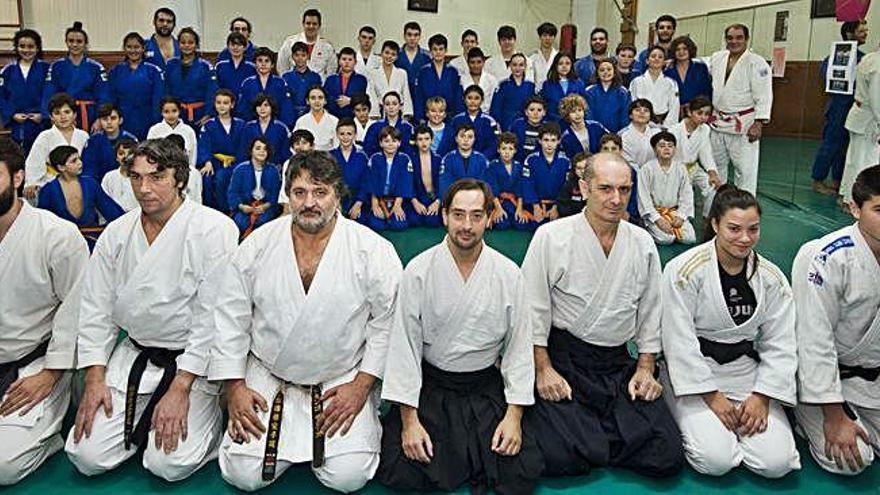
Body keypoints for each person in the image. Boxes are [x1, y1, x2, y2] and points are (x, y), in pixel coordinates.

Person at [209, 150, 402, 492]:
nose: (309, 203)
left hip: (340, 377)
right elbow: (230, 317)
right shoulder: (258, 244)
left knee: (348, 476)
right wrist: (235, 386)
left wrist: (361, 388)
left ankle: (362, 418)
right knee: (244, 474)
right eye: (299, 193)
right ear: (288, 195)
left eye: (320, 192)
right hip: (270, 374)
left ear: (337, 195)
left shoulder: (372, 250)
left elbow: (387, 323)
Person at [65, 138, 238, 481]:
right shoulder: (117, 233)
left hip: (194, 362)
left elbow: (212, 319)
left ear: (180, 179)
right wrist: (95, 377)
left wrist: (181, 387)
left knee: (168, 465)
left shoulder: (214, 229)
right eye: (136, 177)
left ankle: (211, 418)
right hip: (135, 354)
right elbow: (95, 307)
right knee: (85, 456)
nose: (144, 188)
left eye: (157, 177)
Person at [520, 151, 684, 478]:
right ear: (584, 187)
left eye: (624, 190)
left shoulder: (642, 242)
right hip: (565, 360)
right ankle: (595, 432)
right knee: (559, 457)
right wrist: (543, 369)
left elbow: (651, 311)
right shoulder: (552, 236)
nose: (615, 199)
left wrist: (646, 368)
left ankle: (590, 431)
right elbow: (531, 309)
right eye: (605, 188)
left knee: (667, 454)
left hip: (616, 364)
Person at [377, 178, 542, 493]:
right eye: (458, 214)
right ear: (444, 215)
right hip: (434, 386)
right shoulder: (418, 271)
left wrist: (515, 416)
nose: (467, 225)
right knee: (402, 469)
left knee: (521, 472)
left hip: (484, 386)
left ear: (489, 217)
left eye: (477, 215)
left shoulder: (508, 274)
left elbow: (519, 349)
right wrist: (409, 422)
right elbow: (404, 348)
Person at [661, 185, 800, 478]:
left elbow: (781, 343)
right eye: (734, 229)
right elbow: (678, 340)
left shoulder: (772, 277)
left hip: (746, 372)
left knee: (776, 464)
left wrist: (763, 396)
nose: (745, 238)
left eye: (753, 229)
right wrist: (711, 396)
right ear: (715, 224)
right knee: (716, 461)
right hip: (696, 374)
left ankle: (748, 428)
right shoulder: (684, 270)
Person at [0, 138, 87, 485]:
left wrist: (51, 374)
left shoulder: (57, 236)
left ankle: (49, 436)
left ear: (18, 178)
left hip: (35, 365)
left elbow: (78, 307)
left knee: (3, 466)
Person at [792, 164, 880, 475]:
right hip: (825, 381)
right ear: (854, 208)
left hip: (872, 380)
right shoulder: (827, 257)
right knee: (853, 459)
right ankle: (806, 414)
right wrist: (833, 414)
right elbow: (814, 340)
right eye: (879, 209)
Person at [707, 24, 773, 195]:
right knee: (715, 169)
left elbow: (764, 95)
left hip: (744, 124)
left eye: (739, 37)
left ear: (746, 39)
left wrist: (759, 123)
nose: (734, 41)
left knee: (745, 171)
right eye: (730, 38)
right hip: (718, 122)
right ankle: (713, 209)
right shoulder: (718, 58)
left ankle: (744, 211)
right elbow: (697, 63)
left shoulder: (757, 63)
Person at [812, 21, 868, 195]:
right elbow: (827, 78)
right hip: (838, 106)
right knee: (831, 143)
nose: (866, 33)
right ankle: (818, 179)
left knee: (844, 146)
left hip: (854, 107)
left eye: (866, 30)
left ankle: (838, 179)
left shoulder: (863, 58)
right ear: (850, 34)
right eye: (861, 31)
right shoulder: (833, 58)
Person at [38, 145, 124, 244]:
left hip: (92, 241)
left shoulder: (91, 184)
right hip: (61, 244)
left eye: (79, 158)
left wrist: (128, 224)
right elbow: (43, 224)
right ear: (61, 167)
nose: (80, 163)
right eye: (74, 161)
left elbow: (111, 211)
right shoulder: (48, 191)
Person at [41, 22, 108, 132]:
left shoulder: (96, 67)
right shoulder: (56, 67)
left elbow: (104, 95)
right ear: (66, 42)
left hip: (89, 115)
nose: (75, 45)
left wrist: (100, 118)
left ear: (85, 44)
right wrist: (50, 116)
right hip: (63, 115)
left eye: (79, 41)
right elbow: (49, 93)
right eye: (71, 41)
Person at [24, 93, 90, 199]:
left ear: (74, 115)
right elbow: (34, 163)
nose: (63, 117)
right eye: (57, 113)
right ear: (51, 117)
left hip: (80, 182)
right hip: (52, 184)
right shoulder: (45, 136)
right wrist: (31, 183)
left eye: (67, 112)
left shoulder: (83, 136)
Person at [637, 131, 696, 245]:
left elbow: (687, 194)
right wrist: (658, 219)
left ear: (675, 149)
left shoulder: (681, 168)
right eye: (662, 146)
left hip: (674, 211)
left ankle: (672, 225)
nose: (666, 149)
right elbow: (644, 197)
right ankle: (648, 228)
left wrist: (681, 216)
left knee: (689, 238)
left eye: (670, 146)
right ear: (655, 150)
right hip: (656, 212)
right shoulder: (647, 169)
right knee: (666, 239)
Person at [669, 96, 722, 218]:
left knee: (713, 185)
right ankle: (683, 218)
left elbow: (706, 153)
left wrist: (712, 172)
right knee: (684, 196)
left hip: (693, 168)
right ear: (689, 112)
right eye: (699, 113)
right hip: (676, 169)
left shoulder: (705, 129)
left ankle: (708, 216)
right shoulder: (674, 131)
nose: (703, 117)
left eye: (707, 114)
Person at [841, 41, 880, 206]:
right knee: (865, 162)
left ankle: (847, 195)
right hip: (869, 120)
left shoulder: (869, 58)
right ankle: (855, 201)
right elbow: (876, 99)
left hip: (860, 115)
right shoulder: (877, 65)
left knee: (854, 161)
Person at [106, 32, 164, 141]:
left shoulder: (154, 71)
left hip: (147, 119)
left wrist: (156, 121)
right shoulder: (116, 71)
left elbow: (158, 98)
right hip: (123, 119)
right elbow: (110, 99)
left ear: (143, 48)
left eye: (137, 47)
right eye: (129, 47)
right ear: (124, 48)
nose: (133, 50)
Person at [0, 29, 50, 154]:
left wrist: (43, 114)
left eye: (31, 46)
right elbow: (1, 97)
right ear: (16, 48)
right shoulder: (8, 70)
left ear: (37, 48)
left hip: (40, 123)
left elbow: (51, 94)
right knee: (19, 156)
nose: (26, 50)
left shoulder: (47, 69)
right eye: (22, 46)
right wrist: (12, 114)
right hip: (17, 123)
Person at [197, 89, 246, 212]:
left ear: (232, 105)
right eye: (218, 102)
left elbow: (244, 148)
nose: (222, 106)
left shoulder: (241, 125)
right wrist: (207, 162)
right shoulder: (208, 125)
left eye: (225, 103)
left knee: (223, 177)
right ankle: (211, 211)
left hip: (236, 163)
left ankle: (230, 211)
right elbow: (204, 145)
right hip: (215, 163)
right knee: (207, 178)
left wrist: (239, 164)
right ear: (214, 104)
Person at [164, 28, 218, 128]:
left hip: (199, 114)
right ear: (178, 44)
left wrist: (208, 114)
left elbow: (211, 93)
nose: (187, 45)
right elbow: (166, 90)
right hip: (175, 114)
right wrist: (167, 112)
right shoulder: (171, 65)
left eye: (190, 42)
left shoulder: (206, 66)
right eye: (183, 42)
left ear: (196, 45)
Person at [228, 137, 280, 238]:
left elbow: (275, 194)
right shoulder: (240, 169)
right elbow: (233, 193)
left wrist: (264, 207)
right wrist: (242, 207)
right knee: (241, 223)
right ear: (251, 151)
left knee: (263, 223)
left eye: (265, 149)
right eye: (258, 148)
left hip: (266, 207)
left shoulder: (273, 170)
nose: (262, 151)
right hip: (245, 206)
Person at [521, 122, 569, 229]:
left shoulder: (566, 161)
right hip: (537, 204)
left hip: (558, 205)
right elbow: (527, 184)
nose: (549, 144)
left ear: (559, 141)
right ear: (539, 141)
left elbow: (566, 186)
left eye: (553, 140)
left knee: (559, 229)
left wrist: (556, 207)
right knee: (533, 227)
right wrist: (535, 206)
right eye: (546, 140)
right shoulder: (531, 159)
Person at [367, 126, 414, 231]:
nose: (390, 144)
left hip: (396, 199)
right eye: (386, 141)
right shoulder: (375, 158)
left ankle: (393, 214)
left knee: (399, 225)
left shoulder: (404, 159)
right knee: (376, 225)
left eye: (394, 141)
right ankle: (381, 215)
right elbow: (371, 182)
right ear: (381, 143)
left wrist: (397, 205)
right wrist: (375, 205)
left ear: (399, 143)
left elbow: (405, 183)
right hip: (379, 199)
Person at [81, 103, 138, 181]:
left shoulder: (131, 140)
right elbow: (89, 170)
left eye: (113, 118)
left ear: (120, 120)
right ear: (100, 121)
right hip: (99, 184)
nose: (109, 122)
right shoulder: (92, 142)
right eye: (105, 119)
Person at [483, 131, 528, 230]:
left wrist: (520, 209)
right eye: (504, 148)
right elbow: (492, 188)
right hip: (498, 202)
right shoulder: (493, 166)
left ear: (515, 150)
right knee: (501, 224)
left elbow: (521, 188)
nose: (507, 152)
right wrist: (498, 209)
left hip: (514, 202)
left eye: (510, 149)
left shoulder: (519, 166)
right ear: (498, 150)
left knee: (521, 224)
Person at [237, 47, 294, 125]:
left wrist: (282, 126)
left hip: (275, 125)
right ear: (255, 64)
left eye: (267, 61)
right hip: (253, 126)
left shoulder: (280, 83)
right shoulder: (247, 83)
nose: (263, 64)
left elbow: (286, 109)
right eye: (260, 60)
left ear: (272, 65)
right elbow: (242, 110)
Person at [415, 34, 464, 123]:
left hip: (449, 117)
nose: (438, 52)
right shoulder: (423, 72)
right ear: (430, 51)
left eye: (441, 49)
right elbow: (419, 97)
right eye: (435, 49)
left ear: (446, 50)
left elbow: (458, 97)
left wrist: (458, 117)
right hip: (428, 118)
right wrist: (420, 118)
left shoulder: (453, 72)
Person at [277, 8, 337, 78]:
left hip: (318, 86)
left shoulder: (327, 46)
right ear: (303, 24)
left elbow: (331, 71)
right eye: (308, 23)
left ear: (319, 26)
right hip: (294, 86)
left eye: (314, 24)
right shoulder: (290, 42)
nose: (311, 26)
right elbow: (281, 67)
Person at [330, 118, 370, 224]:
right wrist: (335, 203)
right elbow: (327, 182)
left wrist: (359, 203)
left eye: (349, 133)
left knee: (360, 221)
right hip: (336, 201)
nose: (345, 137)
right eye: (342, 134)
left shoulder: (362, 156)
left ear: (355, 135)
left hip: (358, 200)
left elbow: (366, 182)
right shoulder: (330, 156)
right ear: (337, 135)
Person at [630, 46, 680, 126]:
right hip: (641, 122)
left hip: (663, 123)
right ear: (647, 61)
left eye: (660, 57)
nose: (656, 59)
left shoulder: (671, 83)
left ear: (664, 62)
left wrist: (666, 126)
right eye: (653, 56)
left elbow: (674, 107)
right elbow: (633, 104)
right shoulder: (636, 82)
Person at [439, 122, 491, 199]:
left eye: (470, 137)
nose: (466, 140)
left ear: (474, 139)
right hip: (455, 201)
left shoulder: (482, 160)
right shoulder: (447, 159)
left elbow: (486, 184)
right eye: (462, 136)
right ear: (456, 139)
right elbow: (445, 185)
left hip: (477, 201)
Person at [237, 94, 292, 166]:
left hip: (275, 167)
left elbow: (285, 153)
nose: (262, 108)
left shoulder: (281, 128)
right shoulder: (248, 127)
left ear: (272, 107)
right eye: (259, 105)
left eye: (266, 105)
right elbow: (242, 152)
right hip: (251, 167)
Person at [367, 40, 414, 119]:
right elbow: (372, 95)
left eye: (393, 54)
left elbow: (406, 94)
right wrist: (374, 114)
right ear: (381, 53)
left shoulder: (402, 73)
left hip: (398, 112)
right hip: (381, 113)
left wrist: (406, 113)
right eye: (387, 53)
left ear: (397, 57)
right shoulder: (373, 73)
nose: (389, 56)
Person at [664, 36, 712, 113]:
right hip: (675, 113)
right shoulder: (668, 72)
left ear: (690, 49)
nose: (681, 52)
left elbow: (707, 91)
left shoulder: (701, 68)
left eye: (685, 49)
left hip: (698, 112)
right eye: (677, 49)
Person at [451, 85, 500, 159]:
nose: (473, 101)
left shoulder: (490, 121)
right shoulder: (456, 120)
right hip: (460, 159)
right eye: (469, 98)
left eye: (476, 98)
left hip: (483, 161)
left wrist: (481, 159)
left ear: (482, 100)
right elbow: (452, 143)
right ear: (464, 99)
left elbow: (494, 145)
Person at [600, 133, 640, 223]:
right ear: (600, 151)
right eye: (605, 149)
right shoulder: (595, 170)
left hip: (625, 212)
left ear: (621, 151)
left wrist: (627, 212)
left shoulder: (630, 171)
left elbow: (633, 196)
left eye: (614, 149)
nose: (610, 152)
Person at [148, 96, 198, 169]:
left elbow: (192, 156)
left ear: (179, 111)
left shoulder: (188, 130)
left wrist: (189, 171)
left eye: (174, 111)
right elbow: (150, 154)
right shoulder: (154, 130)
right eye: (166, 112)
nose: (171, 115)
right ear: (161, 112)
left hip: (183, 171)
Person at [490, 53, 536, 132]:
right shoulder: (503, 85)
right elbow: (496, 107)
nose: (517, 68)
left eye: (521, 65)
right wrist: (497, 123)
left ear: (525, 67)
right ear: (510, 66)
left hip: (525, 125)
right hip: (506, 124)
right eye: (514, 65)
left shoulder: (530, 86)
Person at [408, 125, 442, 227]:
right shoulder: (411, 160)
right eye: (420, 139)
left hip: (434, 197)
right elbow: (408, 182)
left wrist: (438, 201)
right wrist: (415, 202)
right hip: (418, 197)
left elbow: (443, 182)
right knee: (414, 221)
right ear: (416, 142)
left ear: (432, 140)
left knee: (432, 222)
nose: (424, 142)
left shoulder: (438, 159)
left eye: (427, 139)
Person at [281, 41, 323, 123]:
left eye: (303, 55)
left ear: (308, 56)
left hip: (310, 115)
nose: (300, 58)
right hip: (290, 115)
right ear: (292, 56)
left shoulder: (315, 77)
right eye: (297, 55)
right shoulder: (286, 77)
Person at [363, 91, 414, 157]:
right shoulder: (375, 127)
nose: (391, 107)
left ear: (400, 106)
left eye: (394, 104)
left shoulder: (408, 127)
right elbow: (368, 149)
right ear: (383, 106)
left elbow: (410, 151)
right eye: (387, 104)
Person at [585, 60, 631, 133]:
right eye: (602, 70)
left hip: (617, 134)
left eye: (609, 69)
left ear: (614, 72)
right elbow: (589, 115)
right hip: (595, 133)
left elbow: (625, 115)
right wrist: (594, 131)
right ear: (597, 73)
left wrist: (621, 133)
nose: (605, 72)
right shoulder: (589, 91)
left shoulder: (623, 92)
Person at [540, 52, 587, 123]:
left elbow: (584, 106)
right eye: (560, 63)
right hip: (553, 123)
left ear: (572, 65)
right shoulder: (547, 84)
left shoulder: (579, 84)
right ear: (555, 65)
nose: (564, 66)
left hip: (574, 124)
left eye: (567, 63)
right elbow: (544, 106)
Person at [323, 47, 369, 119]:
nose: (347, 62)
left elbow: (364, 99)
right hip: (333, 117)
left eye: (350, 59)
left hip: (354, 117)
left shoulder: (361, 80)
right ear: (339, 61)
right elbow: (326, 99)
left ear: (355, 62)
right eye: (344, 59)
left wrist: (351, 101)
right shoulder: (330, 79)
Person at [396, 22, 432, 106]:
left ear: (420, 37)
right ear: (404, 36)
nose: (412, 38)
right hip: (401, 99)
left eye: (416, 35)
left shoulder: (427, 56)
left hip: (420, 98)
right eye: (409, 35)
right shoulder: (396, 55)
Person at [619, 99, 660, 170]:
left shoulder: (657, 133)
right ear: (630, 115)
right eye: (637, 110)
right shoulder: (623, 135)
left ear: (650, 116)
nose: (642, 112)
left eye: (646, 110)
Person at [294, 86, 338, 151]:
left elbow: (337, 145)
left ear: (325, 101)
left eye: (320, 98)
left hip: (327, 158)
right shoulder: (301, 121)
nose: (317, 101)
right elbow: (295, 144)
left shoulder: (334, 121)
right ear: (307, 101)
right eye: (313, 98)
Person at [100, 138, 138, 211]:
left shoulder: (141, 177)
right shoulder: (109, 177)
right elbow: (103, 203)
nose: (125, 157)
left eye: (129, 154)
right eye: (121, 153)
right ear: (116, 157)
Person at [459, 48, 498, 114]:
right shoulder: (461, 80)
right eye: (472, 62)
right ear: (468, 63)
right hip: (467, 116)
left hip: (487, 115)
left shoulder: (491, 80)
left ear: (483, 62)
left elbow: (495, 103)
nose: (476, 66)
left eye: (479, 62)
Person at [510, 96, 548, 163]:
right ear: (526, 112)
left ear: (544, 112)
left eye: (539, 110)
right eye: (532, 110)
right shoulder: (517, 125)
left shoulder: (548, 128)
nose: (535, 113)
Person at [143, 7, 179, 72]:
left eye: (169, 21)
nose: (165, 24)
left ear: (174, 24)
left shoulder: (181, 46)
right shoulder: (144, 45)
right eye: (161, 20)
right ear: (154, 22)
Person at [557, 151, 589, 217]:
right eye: (579, 168)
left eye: (585, 168)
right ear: (574, 169)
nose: (582, 171)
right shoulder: (569, 185)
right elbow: (562, 208)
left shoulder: (599, 185)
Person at [530, 22, 559, 90]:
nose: (547, 38)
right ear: (540, 37)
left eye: (550, 36)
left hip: (555, 92)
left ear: (554, 37)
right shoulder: (532, 58)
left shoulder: (559, 57)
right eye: (545, 35)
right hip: (538, 95)